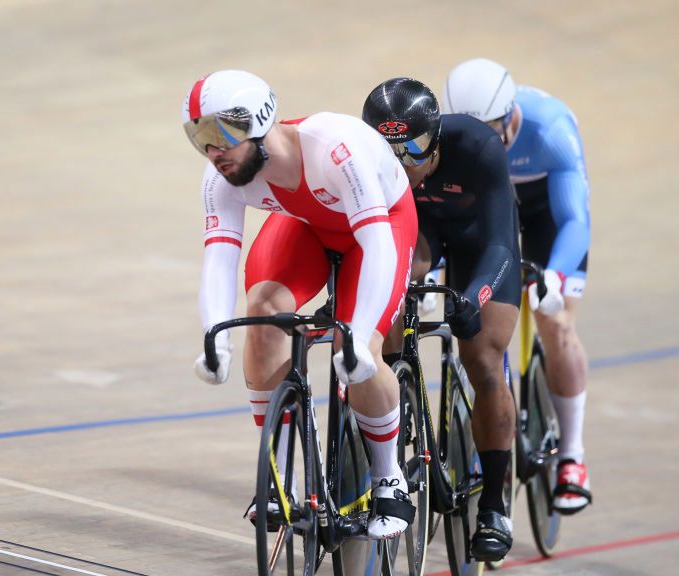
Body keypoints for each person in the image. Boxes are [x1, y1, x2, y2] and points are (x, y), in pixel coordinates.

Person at [184, 70, 418, 540]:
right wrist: (216, 339)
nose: (213, 151)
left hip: (379, 228)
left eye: (220, 133)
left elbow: (375, 245)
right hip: (308, 224)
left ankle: (389, 477)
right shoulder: (221, 179)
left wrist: (359, 335)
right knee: (263, 309)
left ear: (260, 119)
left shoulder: (335, 149)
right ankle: (282, 481)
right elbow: (219, 259)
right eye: (198, 137)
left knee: (360, 347)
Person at [363, 78, 522, 562]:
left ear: (436, 137)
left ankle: (494, 505)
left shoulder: (477, 146)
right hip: (422, 231)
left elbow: (500, 244)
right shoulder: (373, 159)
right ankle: (398, 394)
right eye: (390, 151)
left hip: (481, 240)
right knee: (391, 289)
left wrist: (474, 298)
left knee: (484, 357)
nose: (402, 162)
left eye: (414, 149)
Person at [445, 58, 594, 515]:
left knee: (554, 320)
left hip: (542, 205)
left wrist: (555, 276)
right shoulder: (455, 137)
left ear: (511, 117)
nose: (483, 144)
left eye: (492, 132)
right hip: (485, 208)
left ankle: (572, 455)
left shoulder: (549, 131)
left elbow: (573, 219)